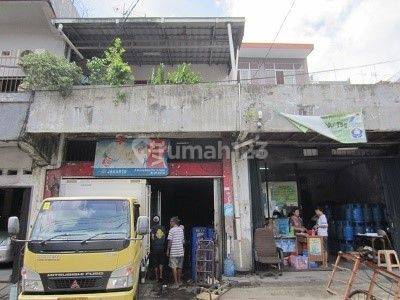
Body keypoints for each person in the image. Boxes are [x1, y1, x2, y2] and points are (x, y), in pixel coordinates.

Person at [166, 217, 185, 287]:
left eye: (171, 221)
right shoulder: (181, 230)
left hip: (174, 252)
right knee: (180, 267)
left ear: (174, 222)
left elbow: (170, 241)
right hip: (181, 252)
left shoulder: (171, 230)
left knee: (174, 267)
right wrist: (183, 250)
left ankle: (176, 283)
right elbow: (183, 241)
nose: (170, 223)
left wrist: (168, 250)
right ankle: (179, 281)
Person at [150, 216, 166, 283]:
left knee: (155, 263)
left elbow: (152, 238)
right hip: (162, 247)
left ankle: (156, 278)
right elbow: (164, 237)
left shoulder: (153, 228)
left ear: (153, 221)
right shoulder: (163, 228)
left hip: (155, 248)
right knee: (161, 262)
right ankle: (161, 276)